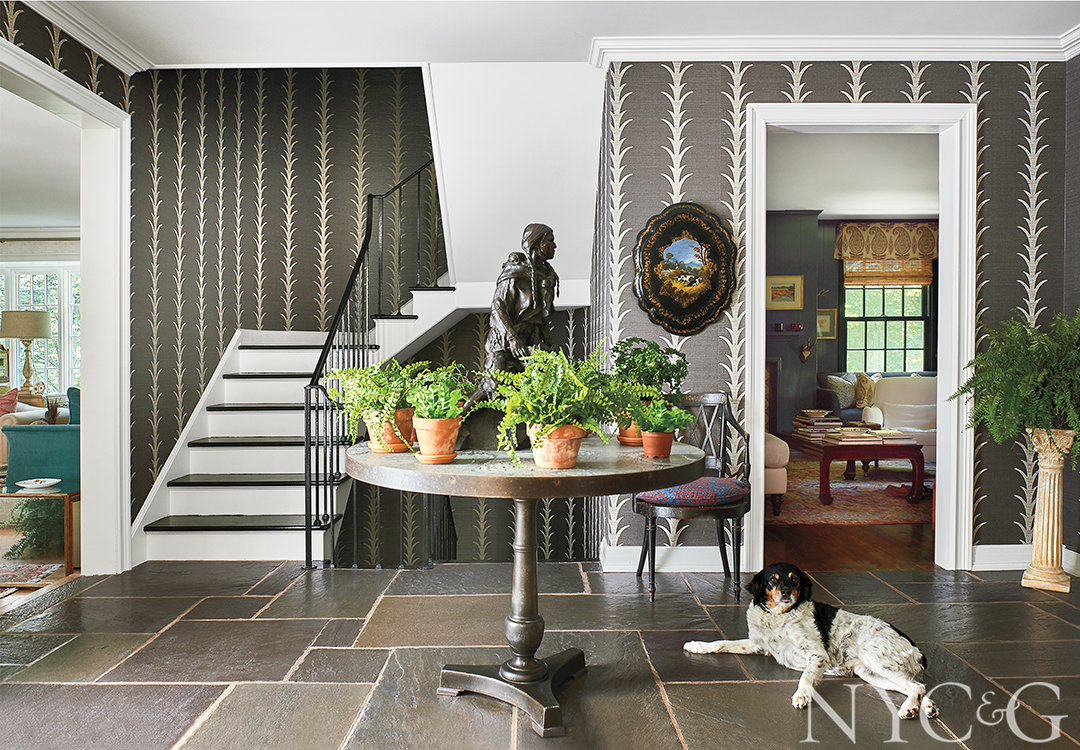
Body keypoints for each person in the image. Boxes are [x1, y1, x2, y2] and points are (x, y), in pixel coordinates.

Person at [461, 223, 561, 418]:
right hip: (503, 338)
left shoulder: (547, 275)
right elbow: (498, 308)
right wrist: (512, 337)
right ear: (538, 244)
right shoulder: (514, 273)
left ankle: (527, 428)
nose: (554, 246)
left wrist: (548, 344)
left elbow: (543, 318)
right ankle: (459, 420)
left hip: (527, 341)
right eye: (550, 241)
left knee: (539, 381)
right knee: (493, 384)